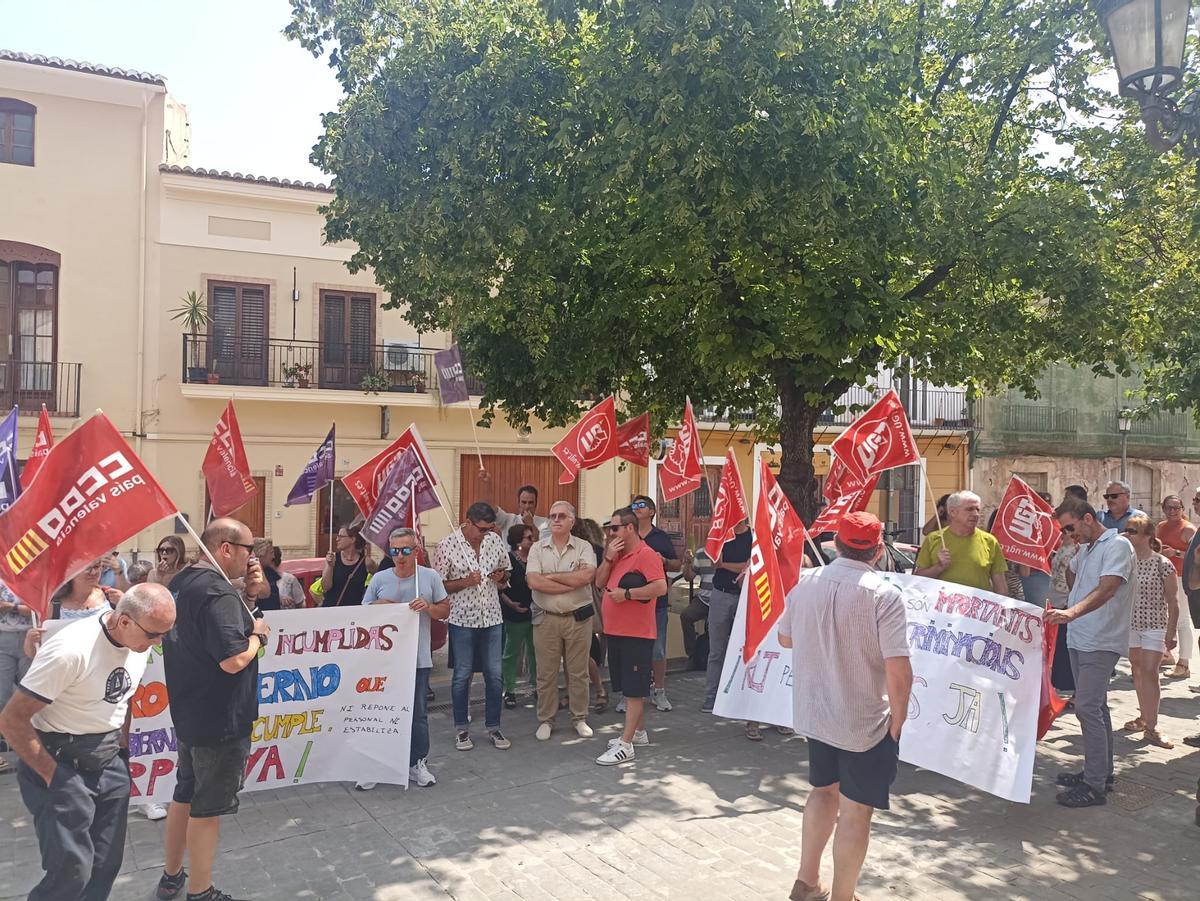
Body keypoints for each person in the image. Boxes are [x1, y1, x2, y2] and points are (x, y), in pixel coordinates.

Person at [0, 584, 176, 901]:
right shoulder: (71, 649)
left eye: (164, 634)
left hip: (109, 762)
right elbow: (11, 720)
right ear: (124, 621)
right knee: (71, 871)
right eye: (153, 634)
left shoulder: (140, 641)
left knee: (105, 866)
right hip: (57, 761)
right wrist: (55, 776)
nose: (158, 642)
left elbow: (124, 697)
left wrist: (123, 753)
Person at [777, 512, 912, 901]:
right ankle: (842, 896)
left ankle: (806, 881)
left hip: (817, 712)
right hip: (863, 720)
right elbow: (899, 670)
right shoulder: (883, 593)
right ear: (879, 549)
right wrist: (898, 721)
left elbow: (785, 639)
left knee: (822, 791)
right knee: (855, 812)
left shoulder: (805, 585)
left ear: (836, 543)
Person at [157, 518, 271, 901]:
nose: (251, 557)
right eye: (247, 549)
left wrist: (248, 597)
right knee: (207, 809)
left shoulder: (184, 582)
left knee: (185, 794)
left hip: (190, 711)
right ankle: (201, 891)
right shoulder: (217, 592)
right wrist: (258, 635)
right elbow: (233, 659)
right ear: (225, 548)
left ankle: (171, 876)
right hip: (220, 719)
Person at [1046, 500, 1135, 808]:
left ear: (1087, 518)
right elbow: (1073, 577)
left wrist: (1073, 611)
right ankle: (1101, 773)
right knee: (1097, 708)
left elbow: (1108, 588)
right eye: (1064, 530)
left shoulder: (1117, 546)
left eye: (1070, 528)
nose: (1068, 535)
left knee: (1086, 708)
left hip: (1101, 639)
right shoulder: (1085, 548)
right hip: (1081, 637)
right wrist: (1072, 607)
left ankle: (1095, 786)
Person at [357, 527, 450, 790]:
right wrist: (381, 606)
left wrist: (428, 607)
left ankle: (417, 763)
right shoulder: (380, 578)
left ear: (416, 551)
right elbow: (363, 611)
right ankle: (377, 764)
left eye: (406, 550)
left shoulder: (429, 577)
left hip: (417, 659)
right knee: (378, 713)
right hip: (383, 662)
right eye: (395, 551)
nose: (400, 556)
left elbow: (445, 609)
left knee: (418, 714)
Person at [433, 501, 512, 752]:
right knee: (461, 676)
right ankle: (461, 728)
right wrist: (465, 581)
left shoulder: (494, 541)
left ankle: (494, 726)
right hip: (462, 619)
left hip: (492, 617)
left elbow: (506, 570)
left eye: (490, 529)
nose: (486, 533)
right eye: (482, 529)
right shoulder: (447, 545)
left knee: (495, 676)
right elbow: (439, 586)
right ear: (467, 523)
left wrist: (502, 576)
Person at [594, 506, 667, 765]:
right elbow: (600, 583)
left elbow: (660, 586)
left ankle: (626, 745)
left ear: (629, 528)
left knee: (635, 690)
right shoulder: (617, 555)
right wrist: (608, 558)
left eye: (614, 528)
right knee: (627, 687)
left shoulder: (645, 554)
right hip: (615, 631)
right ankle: (639, 732)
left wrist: (626, 595)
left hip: (636, 633)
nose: (610, 533)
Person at [526, 501, 598, 740]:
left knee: (578, 673)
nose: (556, 519)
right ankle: (546, 719)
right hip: (546, 620)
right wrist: (569, 580)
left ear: (571, 521)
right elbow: (534, 583)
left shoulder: (584, 547)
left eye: (561, 516)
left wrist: (551, 578)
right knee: (546, 673)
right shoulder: (537, 548)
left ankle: (579, 718)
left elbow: (587, 576)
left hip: (578, 620)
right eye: (552, 516)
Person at [1121, 515, 1180, 749]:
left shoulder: (1162, 563)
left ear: (1148, 536)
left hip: (1155, 624)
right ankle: (1144, 717)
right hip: (1131, 624)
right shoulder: (1126, 562)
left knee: (1150, 672)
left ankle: (1153, 727)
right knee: (1136, 670)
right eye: (1126, 530)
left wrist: (1171, 632)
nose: (1127, 534)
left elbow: (1173, 601)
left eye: (1133, 531)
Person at [629, 495, 682, 713]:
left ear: (651, 511)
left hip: (656, 603)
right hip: (630, 602)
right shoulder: (627, 533)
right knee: (631, 650)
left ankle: (659, 691)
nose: (636, 508)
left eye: (641, 505)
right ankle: (630, 693)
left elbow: (677, 563)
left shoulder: (661, 537)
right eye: (634, 505)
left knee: (657, 650)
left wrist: (665, 562)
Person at [700, 518, 752, 713]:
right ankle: (712, 696)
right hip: (720, 594)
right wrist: (733, 565)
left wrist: (726, 565)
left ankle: (743, 696)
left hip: (746, 596)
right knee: (716, 650)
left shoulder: (754, 537)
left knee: (747, 647)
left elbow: (750, 565)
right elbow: (715, 563)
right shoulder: (721, 535)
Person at [914, 490, 1008, 595]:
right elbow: (918, 578)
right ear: (952, 512)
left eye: (977, 509)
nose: (975, 514)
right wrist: (938, 567)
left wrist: (1002, 610)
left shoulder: (990, 541)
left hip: (975, 608)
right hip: (940, 608)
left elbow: (1001, 585)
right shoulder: (933, 539)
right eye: (969, 509)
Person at [572, 517, 610, 712]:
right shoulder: (596, 549)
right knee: (579, 650)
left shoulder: (589, 551)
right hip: (576, 603)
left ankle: (600, 689)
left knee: (582, 650)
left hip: (584, 602)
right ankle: (583, 691)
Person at [1155, 495, 1195, 678]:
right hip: (1164, 577)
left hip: (1181, 578)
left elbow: (1196, 556)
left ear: (1182, 509)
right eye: (1169, 507)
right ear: (1163, 508)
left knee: (1182, 620)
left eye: (1176, 508)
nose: (1172, 511)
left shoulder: (1187, 529)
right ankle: (1167, 654)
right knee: (1165, 618)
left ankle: (1184, 663)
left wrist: (1176, 552)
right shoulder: (1160, 527)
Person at [500, 524, 537, 708]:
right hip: (515, 614)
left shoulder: (536, 558)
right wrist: (511, 604)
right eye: (528, 538)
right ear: (518, 541)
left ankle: (538, 686)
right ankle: (510, 690)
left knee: (536, 652)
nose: (532, 540)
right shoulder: (508, 560)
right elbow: (499, 587)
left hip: (536, 613)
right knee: (511, 653)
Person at [0, 582, 33, 775]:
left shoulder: (29, 574)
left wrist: (11, 607)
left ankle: (32, 749)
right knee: (1, 698)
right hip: (2, 639)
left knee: (31, 697)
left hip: (29, 637)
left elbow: (41, 609)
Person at [321, 523, 374, 607]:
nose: (337, 539)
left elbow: (379, 579)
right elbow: (325, 587)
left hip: (353, 612)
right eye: (337, 536)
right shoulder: (333, 558)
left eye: (341, 536)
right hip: (332, 610)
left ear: (352, 539)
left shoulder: (366, 562)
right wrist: (330, 566)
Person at [251, 538, 282, 612]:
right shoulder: (250, 572)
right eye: (271, 553)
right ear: (261, 554)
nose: (273, 557)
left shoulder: (271, 573)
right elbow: (265, 593)